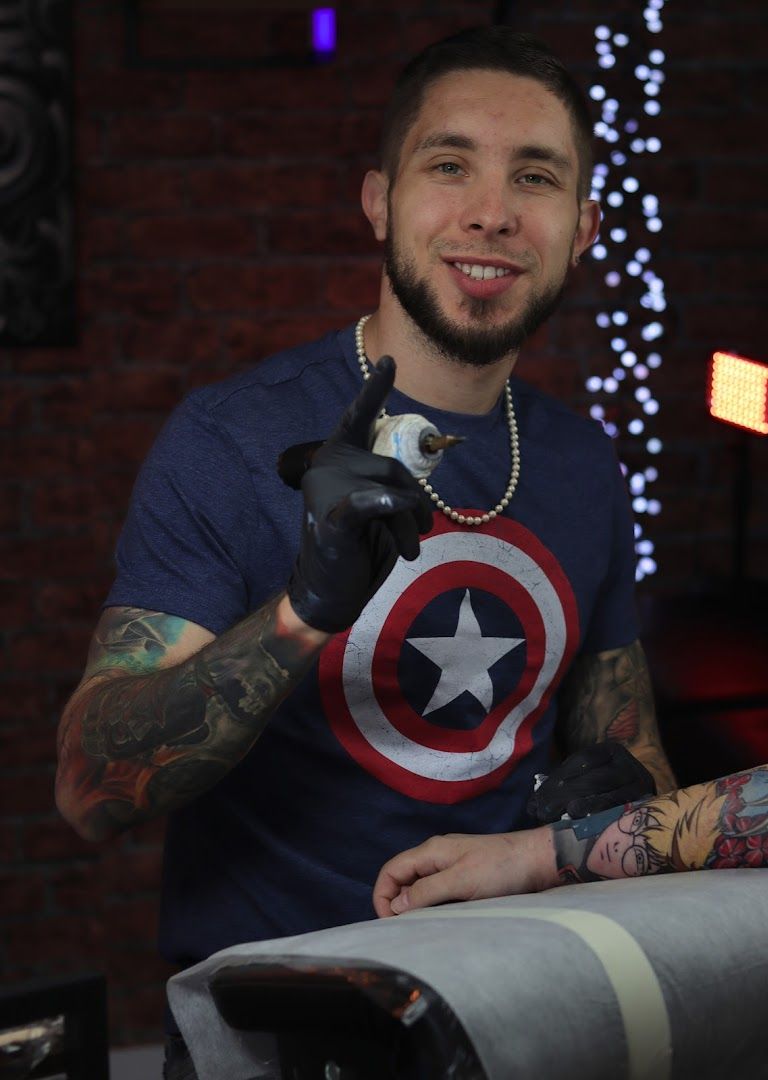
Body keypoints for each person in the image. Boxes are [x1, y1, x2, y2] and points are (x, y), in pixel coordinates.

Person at [55, 25, 677, 1076]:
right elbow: (88, 788)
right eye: (449, 165)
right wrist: (302, 609)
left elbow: (636, 761)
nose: (491, 210)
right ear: (379, 201)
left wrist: (609, 809)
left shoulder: (582, 463)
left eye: (535, 176)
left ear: (581, 230)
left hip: (517, 1008)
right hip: (276, 1024)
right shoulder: (231, 441)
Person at [373, 753, 768, 916]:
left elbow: (640, 749)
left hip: (527, 918)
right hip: (324, 927)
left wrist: (540, 853)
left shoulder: (595, 545)